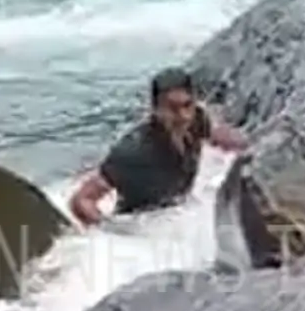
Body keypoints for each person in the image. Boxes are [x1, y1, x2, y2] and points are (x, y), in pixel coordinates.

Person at [69, 67, 250, 226]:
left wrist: (251, 149)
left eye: (187, 105)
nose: (183, 116)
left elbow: (221, 137)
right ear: (155, 109)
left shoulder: (197, 120)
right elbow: (81, 200)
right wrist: (108, 232)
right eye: (172, 108)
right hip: (141, 226)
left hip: (175, 214)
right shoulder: (133, 152)